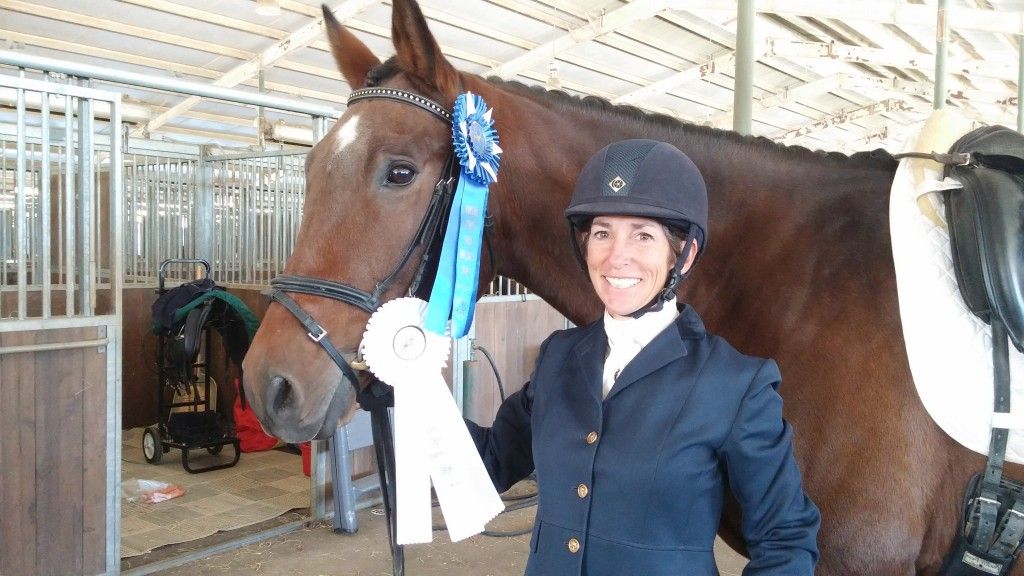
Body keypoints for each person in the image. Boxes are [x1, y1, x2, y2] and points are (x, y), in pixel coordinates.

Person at [466, 139, 820, 575]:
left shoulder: (735, 384)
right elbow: (491, 463)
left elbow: (786, 538)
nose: (617, 256)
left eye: (643, 235)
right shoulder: (558, 358)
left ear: (684, 254)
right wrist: (405, 393)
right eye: (602, 233)